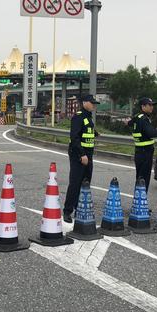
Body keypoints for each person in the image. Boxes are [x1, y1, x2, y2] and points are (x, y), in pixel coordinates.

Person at [63, 94, 99, 223]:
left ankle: (79, 208)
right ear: (84, 103)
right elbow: (75, 137)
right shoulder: (78, 116)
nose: (94, 105)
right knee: (75, 183)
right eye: (92, 103)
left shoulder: (88, 117)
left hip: (88, 154)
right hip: (79, 155)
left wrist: (95, 133)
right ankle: (67, 211)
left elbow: (85, 131)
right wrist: (82, 154)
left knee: (85, 182)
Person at [128, 98, 157, 189]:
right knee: (144, 179)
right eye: (149, 105)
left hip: (139, 151)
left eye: (152, 105)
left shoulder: (137, 117)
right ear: (143, 106)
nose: (152, 107)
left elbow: (129, 123)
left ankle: (138, 197)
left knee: (140, 178)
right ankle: (141, 197)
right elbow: (152, 133)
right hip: (145, 152)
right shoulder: (144, 119)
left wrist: (128, 122)